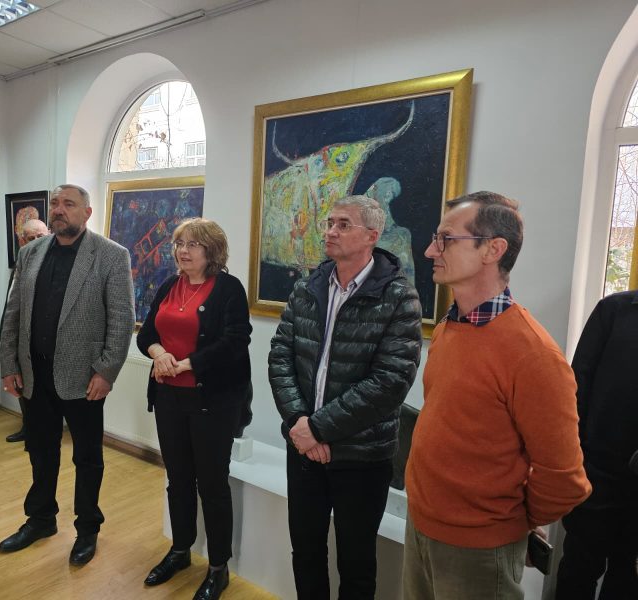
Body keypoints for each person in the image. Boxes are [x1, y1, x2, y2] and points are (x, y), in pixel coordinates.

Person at [403, 191, 591, 600]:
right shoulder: (450, 328)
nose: (431, 250)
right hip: (421, 526)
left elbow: (565, 480)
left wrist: (512, 522)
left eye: (446, 239)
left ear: (493, 249)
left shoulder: (534, 355)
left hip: (479, 548)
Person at [269, 195, 423, 599]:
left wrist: (318, 429)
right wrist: (298, 423)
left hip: (362, 455)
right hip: (303, 448)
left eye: (343, 224)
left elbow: (390, 382)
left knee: (356, 563)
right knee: (306, 552)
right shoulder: (308, 287)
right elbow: (281, 354)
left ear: (372, 235)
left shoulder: (399, 296)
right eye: (329, 223)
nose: (330, 232)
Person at [0, 184, 134, 567]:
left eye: (69, 204)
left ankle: (87, 529)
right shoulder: (31, 252)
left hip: (84, 377)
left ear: (86, 213)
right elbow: (13, 313)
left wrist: (106, 372)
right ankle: (40, 519)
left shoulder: (111, 255)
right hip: (34, 374)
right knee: (40, 452)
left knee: (87, 458)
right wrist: (9, 364)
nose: (59, 210)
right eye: (55, 203)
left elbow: (122, 320)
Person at [137, 218, 252, 600]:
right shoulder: (170, 285)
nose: (182, 251)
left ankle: (218, 567)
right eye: (179, 243)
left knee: (212, 484)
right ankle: (180, 550)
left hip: (212, 402)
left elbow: (236, 340)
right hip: (169, 398)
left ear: (212, 250)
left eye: (192, 244)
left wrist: (188, 364)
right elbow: (147, 333)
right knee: (178, 479)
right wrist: (159, 354)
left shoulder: (228, 289)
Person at [555, 290, 638, 599]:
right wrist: (577, 464)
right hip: (597, 476)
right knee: (577, 572)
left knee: (626, 580)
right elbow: (575, 391)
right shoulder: (614, 311)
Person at [2, 218, 50, 444]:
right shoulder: (23, 260)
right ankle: (28, 427)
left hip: (44, 343)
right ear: (22, 241)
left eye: (41, 236)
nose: (37, 241)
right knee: (23, 385)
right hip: (20, 336)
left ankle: (37, 429)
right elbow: (12, 306)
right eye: (31, 238)